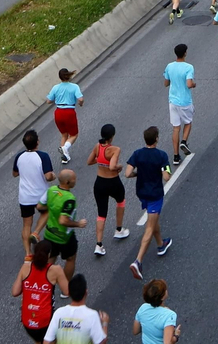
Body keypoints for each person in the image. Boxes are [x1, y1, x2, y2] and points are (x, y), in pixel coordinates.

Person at [126, 126, 174, 277]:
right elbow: (166, 176)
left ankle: (161, 245)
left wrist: (139, 174)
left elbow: (127, 173)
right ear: (157, 139)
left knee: (153, 220)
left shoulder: (137, 154)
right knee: (149, 227)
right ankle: (138, 261)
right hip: (155, 194)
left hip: (142, 193)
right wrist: (163, 171)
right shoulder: (162, 156)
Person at [13, 240, 70, 342]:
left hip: (28, 321)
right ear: (48, 255)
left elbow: (15, 292)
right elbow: (67, 291)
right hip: (46, 320)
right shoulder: (55, 270)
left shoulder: (26, 268)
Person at [36, 169, 86, 281]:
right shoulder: (69, 198)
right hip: (64, 237)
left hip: (49, 233)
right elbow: (63, 221)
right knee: (70, 258)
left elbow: (39, 206)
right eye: (74, 179)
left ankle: (46, 284)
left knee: (51, 258)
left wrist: (52, 208)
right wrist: (78, 224)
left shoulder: (51, 190)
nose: (75, 181)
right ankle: (65, 287)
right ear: (67, 182)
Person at [86, 124, 127, 257]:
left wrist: (101, 161)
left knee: (101, 214)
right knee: (120, 201)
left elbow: (89, 161)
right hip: (113, 182)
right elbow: (112, 166)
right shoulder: (115, 149)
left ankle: (99, 244)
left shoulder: (97, 146)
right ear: (112, 136)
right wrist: (119, 166)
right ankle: (119, 229)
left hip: (99, 183)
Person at [14, 130, 56, 258]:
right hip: (40, 195)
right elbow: (48, 176)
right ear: (37, 142)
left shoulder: (19, 156)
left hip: (25, 196)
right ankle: (36, 233)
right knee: (48, 211)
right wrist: (54, 176)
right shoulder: (43, 156)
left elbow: (15, 173)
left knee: (26, 223)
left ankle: (28, 253)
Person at [42, 274, 107, 344]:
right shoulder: (92, 315)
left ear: (69, 293)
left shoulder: (58, 313)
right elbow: (101, 342)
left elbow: (47, 342)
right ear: (86, 292)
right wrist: (105, 323)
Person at [163, 45, 196, 161]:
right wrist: (193, 84)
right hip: (185, 101)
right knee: (188, 122)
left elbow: (166, 83)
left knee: (176, 128)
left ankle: (176, 156)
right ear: (185, 53)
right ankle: (184, 141)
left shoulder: (169, 66)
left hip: (172, 101)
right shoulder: (189, 67)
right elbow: (188, 84)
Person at [46, 69, 84, 164]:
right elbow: (80, 99)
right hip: (69, 112)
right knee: (74, 134)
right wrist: (80, 104)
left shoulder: (55, 87)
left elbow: (48, 101)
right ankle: (65, 148)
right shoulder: (74, 87)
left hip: (58, 112)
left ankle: (64, 157)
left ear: (60, 77)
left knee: (64, 134)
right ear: (69, 76)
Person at [133, 279, 178, 344]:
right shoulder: (169, 315)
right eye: (165, 290)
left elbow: (135, 331)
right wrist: (176, 336)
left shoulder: (143, 308)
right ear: (162, 297)